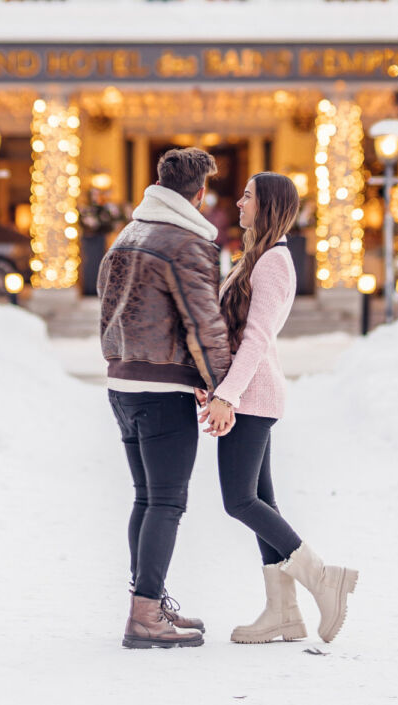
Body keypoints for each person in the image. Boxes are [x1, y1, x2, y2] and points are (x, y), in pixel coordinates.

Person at [200, 172, 359, 645]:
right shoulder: (257, 257)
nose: (240, 202)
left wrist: (229, 395)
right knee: (262, 502)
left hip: (252, 396)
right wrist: (214, 385)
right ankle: (283, 612)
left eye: (247, 195)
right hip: (242, 393)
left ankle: (323, 579)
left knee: (239, 500)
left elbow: (257, 338)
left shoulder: (274, 263)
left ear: (266, 204)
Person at [97, 147, 234, 649]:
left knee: (147, 498)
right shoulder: (187, 243)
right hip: (161, 387)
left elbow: (108, 308)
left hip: (124, 383)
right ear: (199, 194)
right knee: (167, 502)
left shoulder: (127, 236)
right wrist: (223, 387)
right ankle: (145, 616)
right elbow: (205, 323)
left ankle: (148, 604)